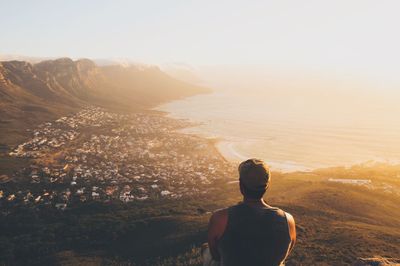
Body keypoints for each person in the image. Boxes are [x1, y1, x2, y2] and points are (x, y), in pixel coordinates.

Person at [203, 159, 296, 266]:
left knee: (205, 250)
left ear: (241, 186)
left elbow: (216, 256)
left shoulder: (220, 219)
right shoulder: (288, 220)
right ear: (267, 186)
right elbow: (285, 253)